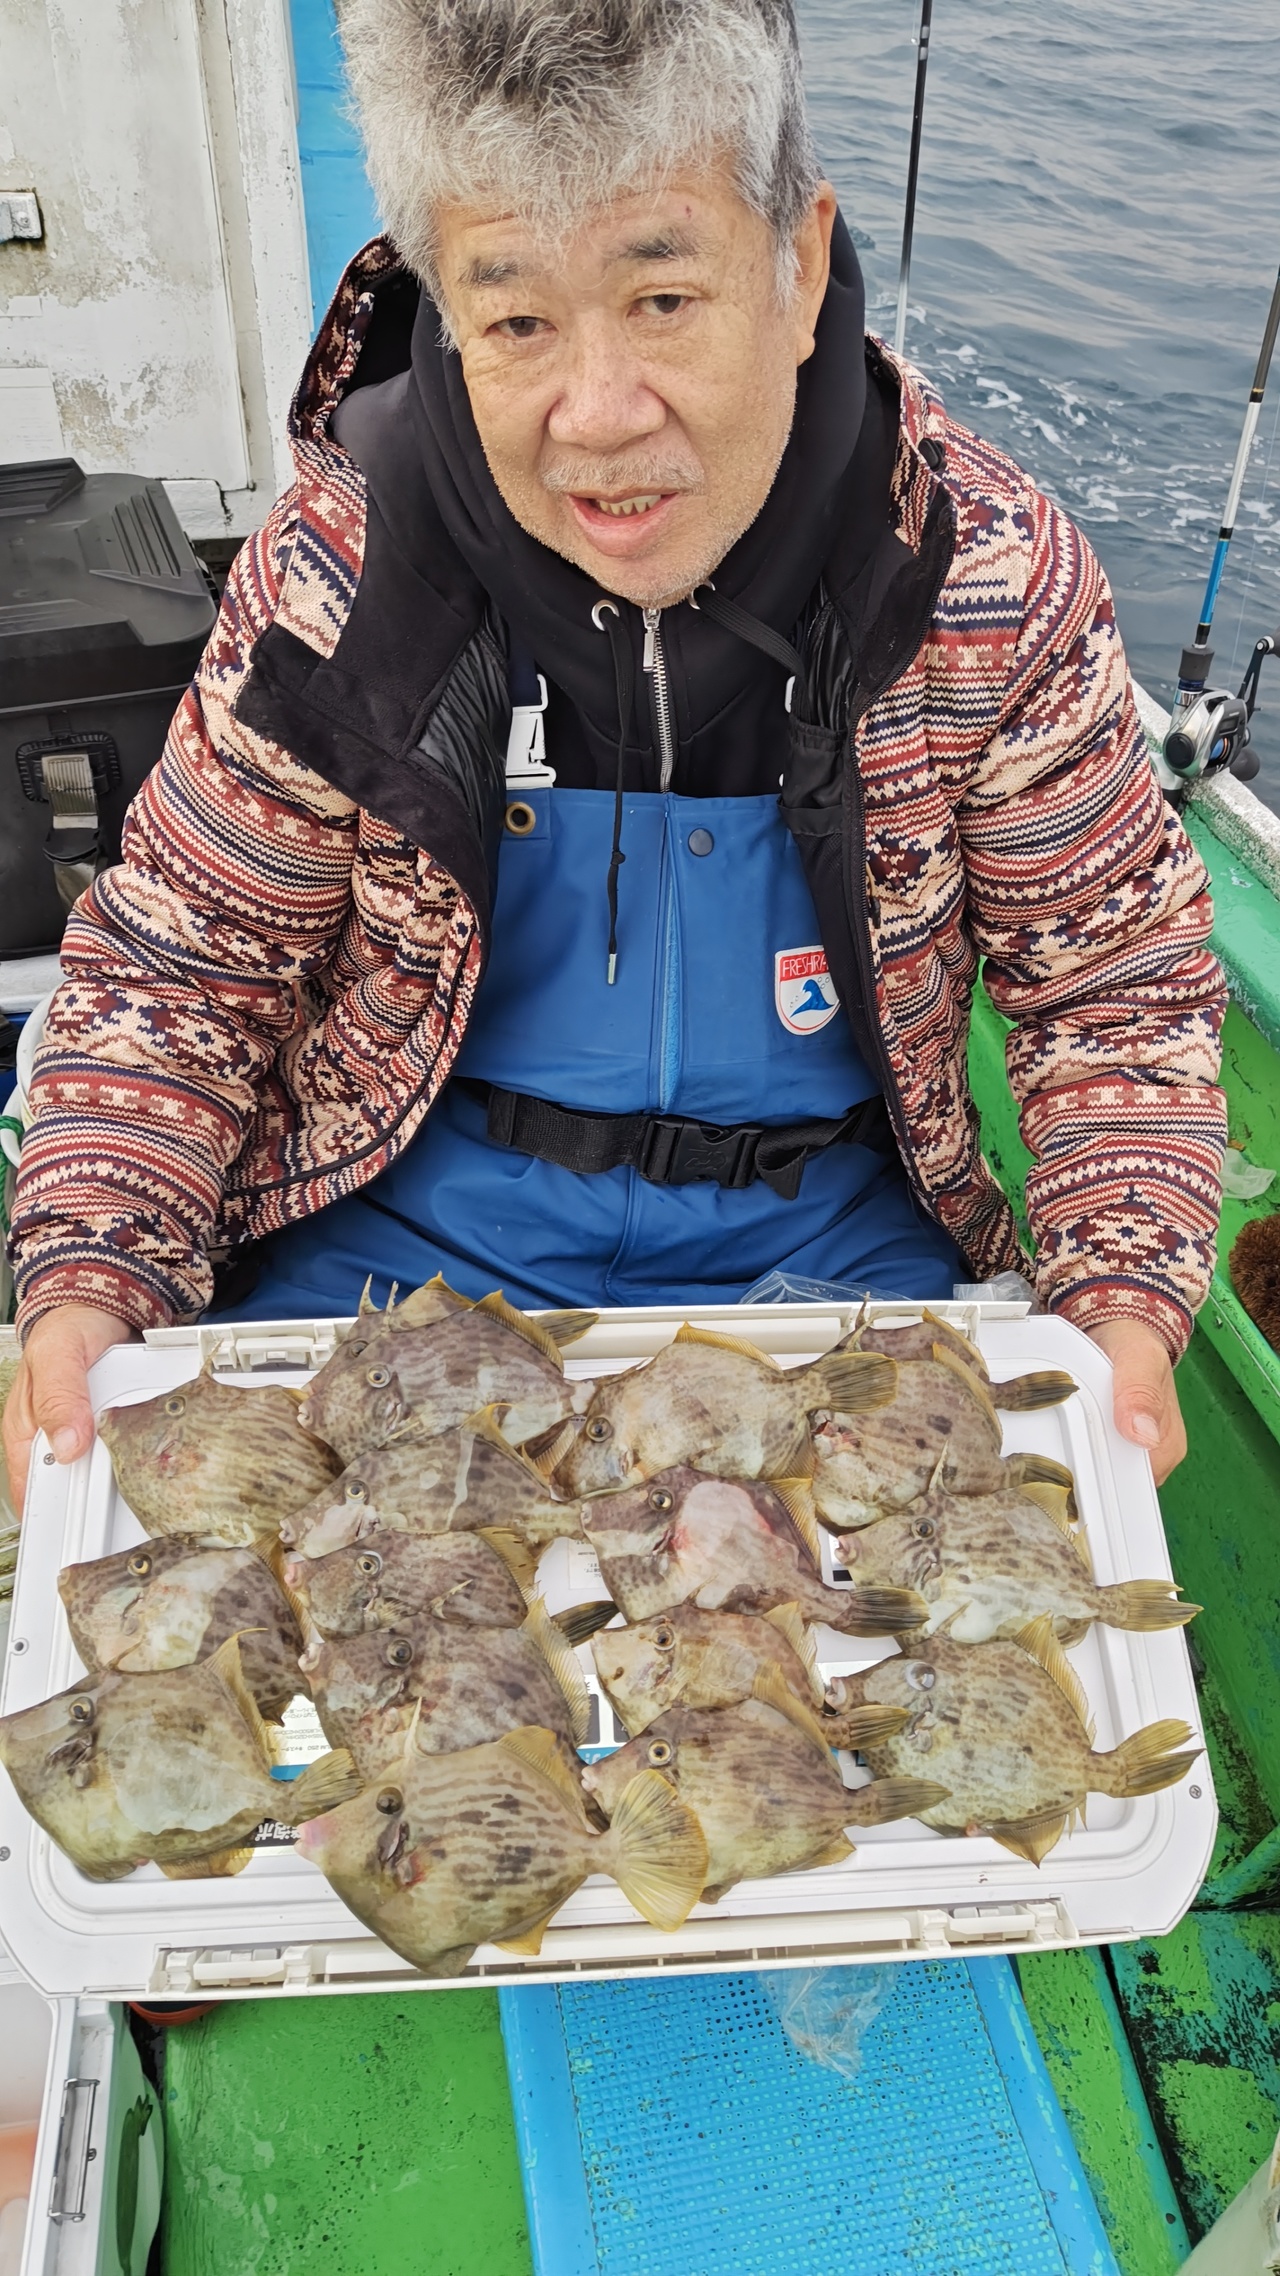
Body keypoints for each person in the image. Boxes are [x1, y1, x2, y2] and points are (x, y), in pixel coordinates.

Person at [2, 0, 1226, 1510]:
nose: (596, 418)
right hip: (401, 1251)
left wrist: (1121, 1302)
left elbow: (1112, 986)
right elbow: (185, 969)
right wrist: (89, 1277)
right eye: (518, 321)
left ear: (796, 267)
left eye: (662, 298)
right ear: (448, 308)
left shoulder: (982, 576)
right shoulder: (342, 572)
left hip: (831, 1258)